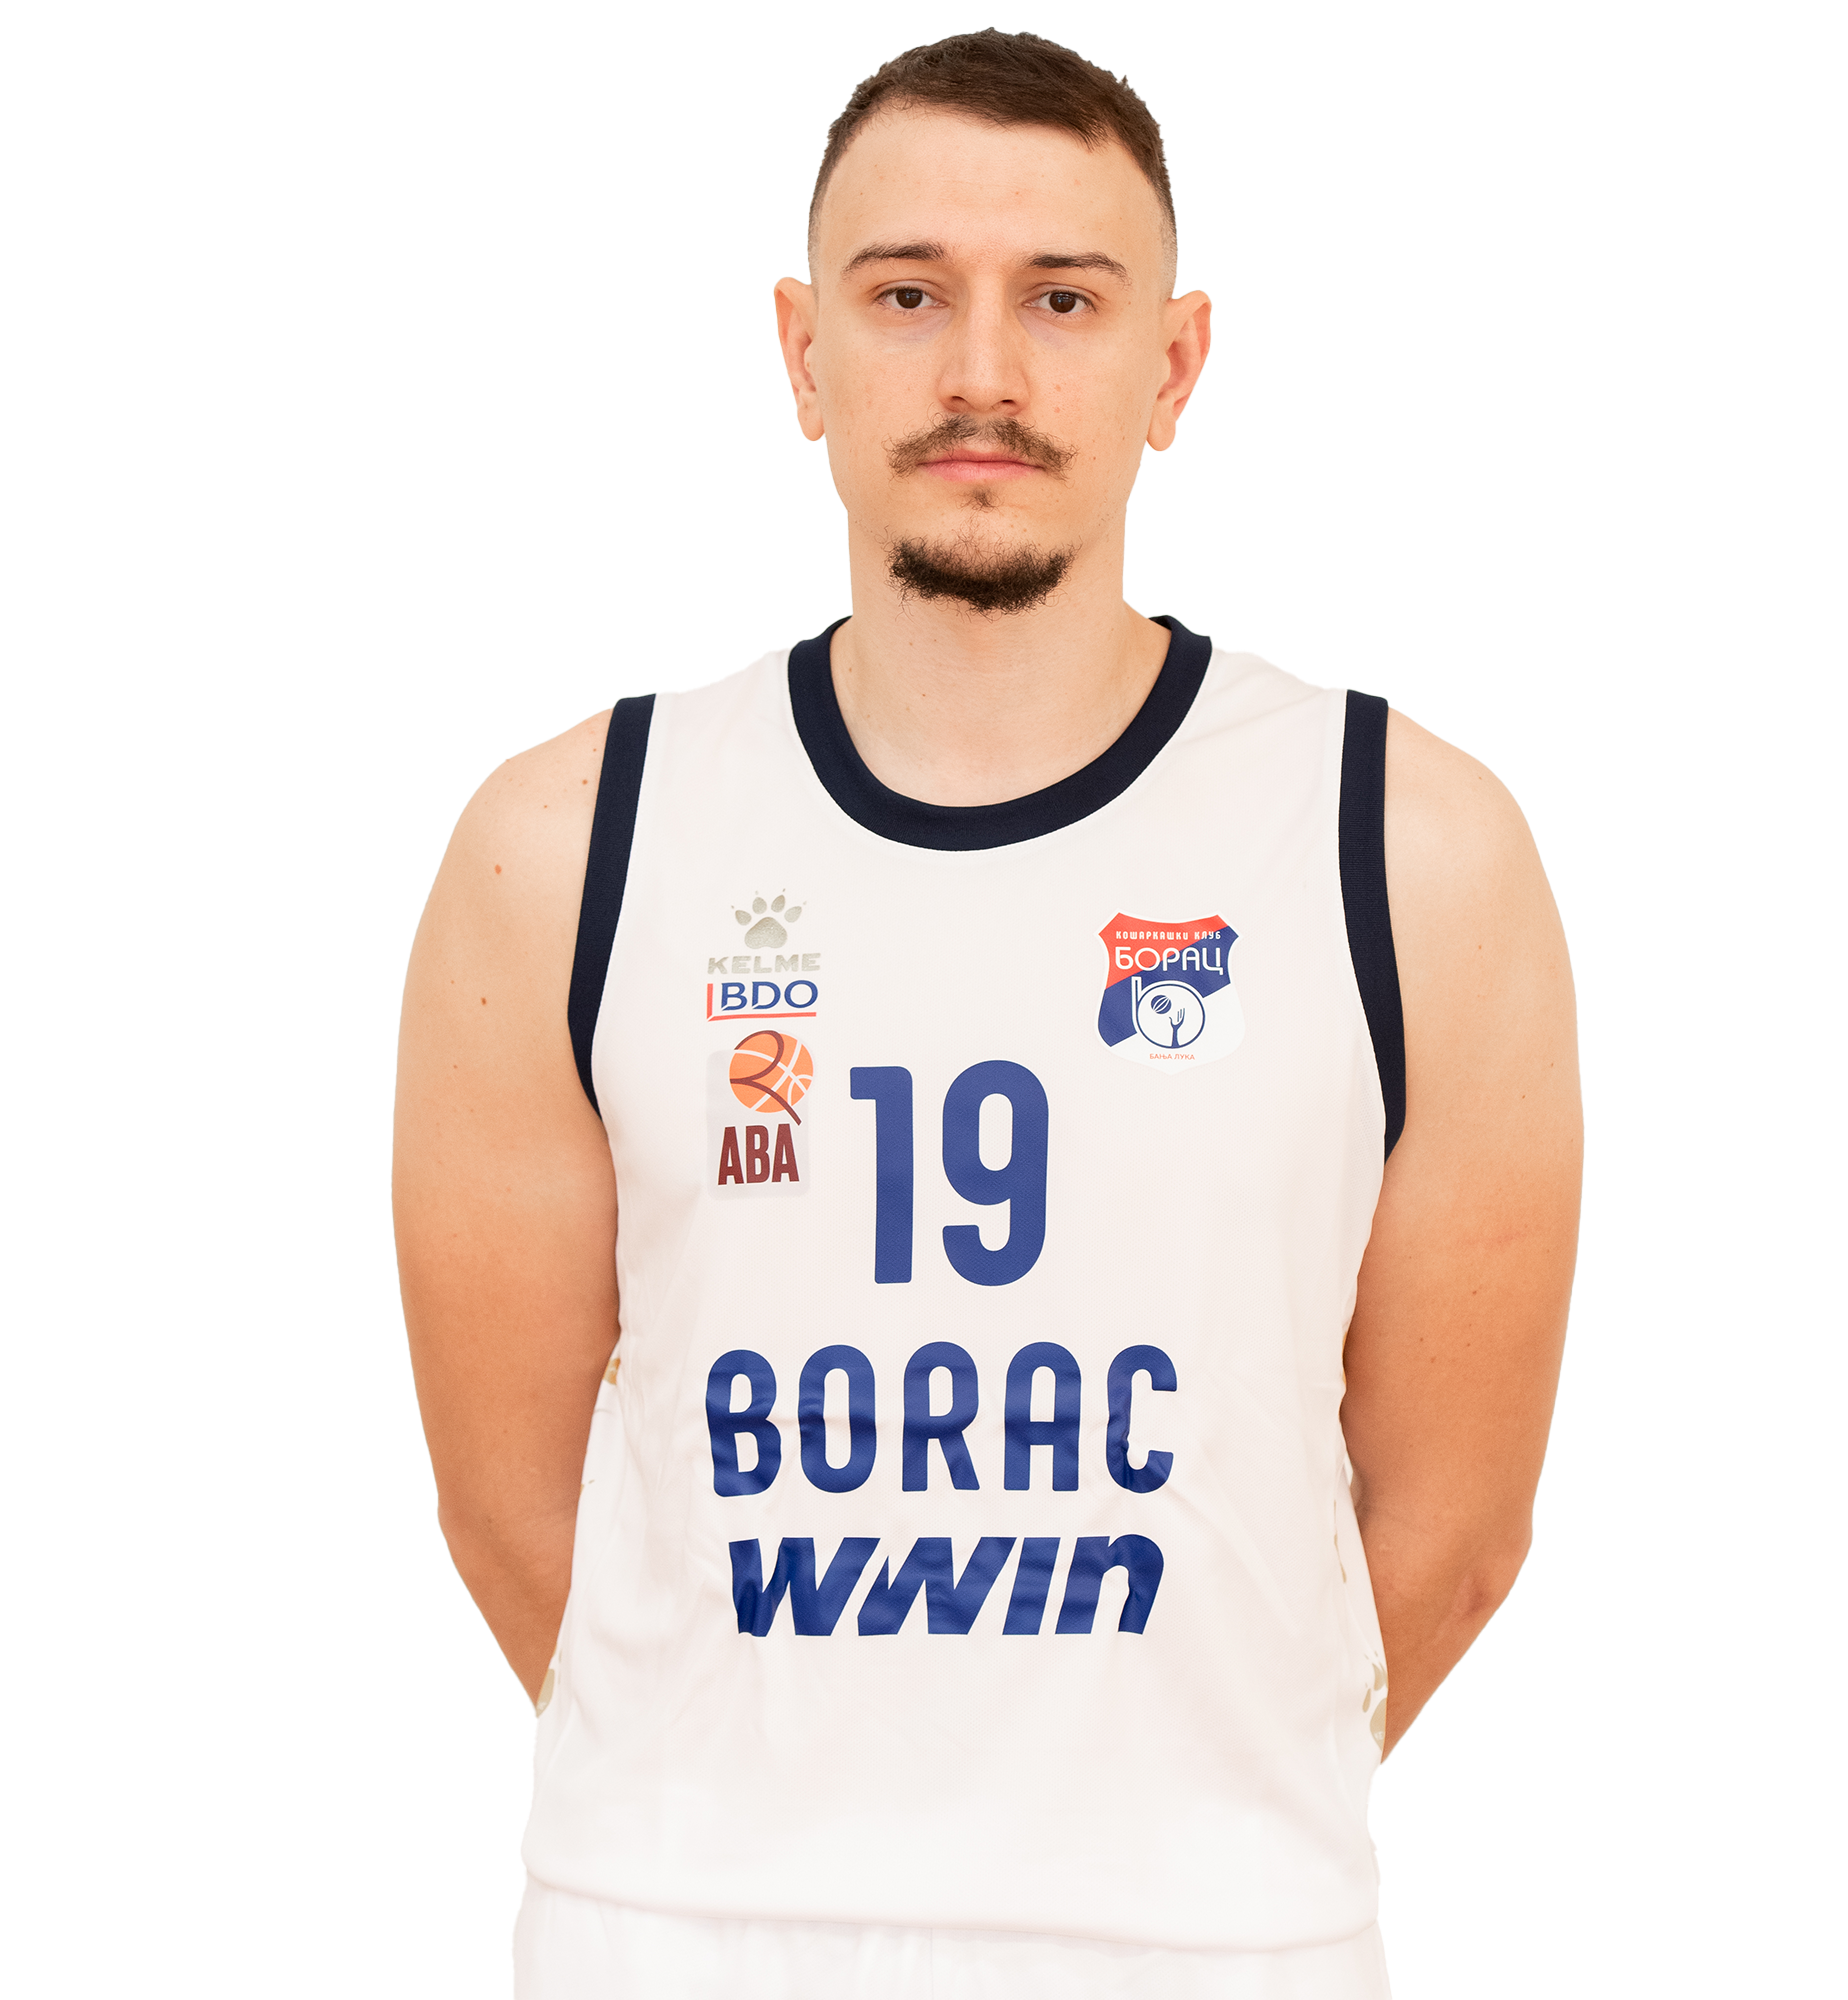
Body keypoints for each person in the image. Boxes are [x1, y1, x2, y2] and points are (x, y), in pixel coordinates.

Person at [394, 28, 1581, 1999]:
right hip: (672, 1932)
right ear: (802, 352)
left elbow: (1454, 1534)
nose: (982, 374)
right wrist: (737, 1829)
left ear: (1173, 367)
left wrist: (1180, 1830)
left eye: (1063, 300)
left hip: (1215, 1943)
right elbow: (506, 1508)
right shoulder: (569, 841)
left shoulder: (1408, 847)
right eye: (906, 295)